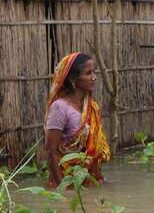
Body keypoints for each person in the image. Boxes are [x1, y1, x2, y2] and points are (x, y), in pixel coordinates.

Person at [44, 52, 111, 189]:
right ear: (73, 79)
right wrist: (62, 188)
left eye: (94, 72)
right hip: (66, 179)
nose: (94, 77)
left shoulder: (91, 106)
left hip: (89, 180)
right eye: (88, 73)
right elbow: (51, 151)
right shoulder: (60, 108)